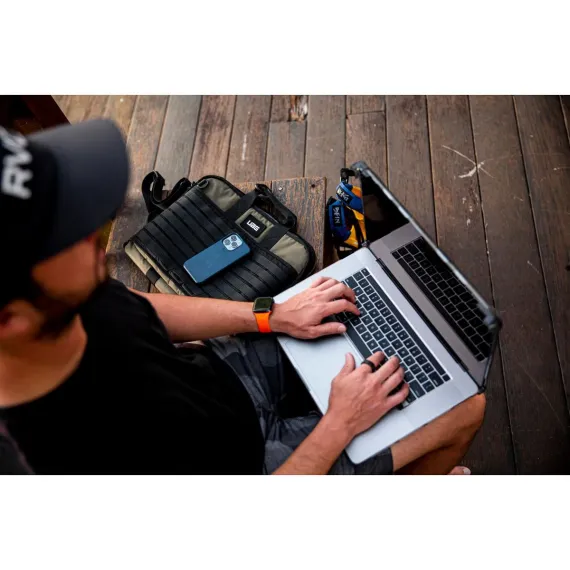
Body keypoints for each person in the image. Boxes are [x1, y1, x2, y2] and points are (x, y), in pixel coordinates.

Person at [0, 120, 485, 475]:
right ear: (11, 319)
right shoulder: (52, 461)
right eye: (63, 235)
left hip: (225, 383)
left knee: (352, 305)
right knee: (465, 408)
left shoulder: (72, 296)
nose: (92, 233)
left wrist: (271, 315)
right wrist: (340, 423)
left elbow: (144, 309)